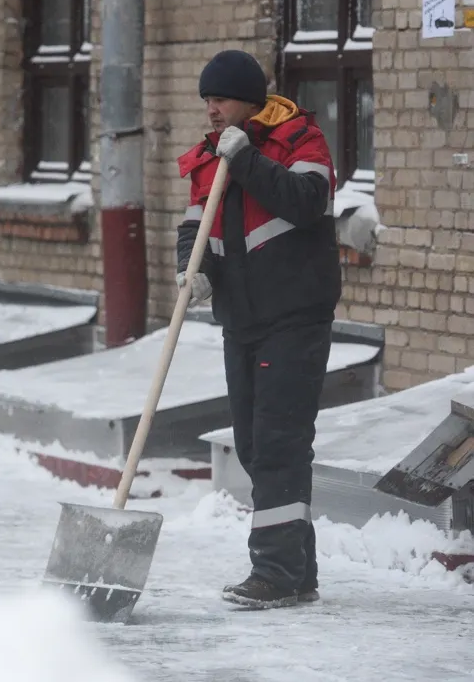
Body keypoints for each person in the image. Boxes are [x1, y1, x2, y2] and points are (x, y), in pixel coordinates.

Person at [175, 49, 341, 609]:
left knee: (277, 443)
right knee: (253, 444)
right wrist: (193, 272)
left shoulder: (298, 141)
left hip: (294, 316)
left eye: (219, 99)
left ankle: (273, 574)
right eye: (206, 101)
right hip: (241, 320)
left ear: (250, 99)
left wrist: (246, 159)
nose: (211, 110)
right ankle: (298, 572)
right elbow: (197, 225)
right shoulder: (210, 159)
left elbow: (308, 203)